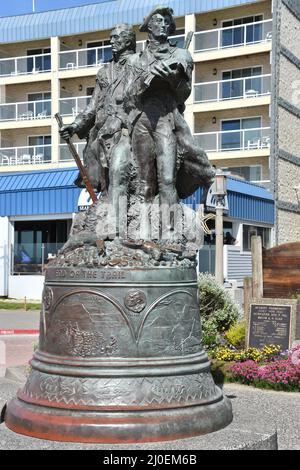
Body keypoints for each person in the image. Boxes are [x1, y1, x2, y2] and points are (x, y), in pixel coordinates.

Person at [124, 6, 215, 236]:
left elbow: (185, 94)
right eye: (158, 20)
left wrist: (174, 80)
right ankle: (143, 234)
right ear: (149, 27)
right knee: (144, 185)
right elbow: (127, 96)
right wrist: (148, 78)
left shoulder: (181, 56)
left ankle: (169, 233)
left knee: (167, 179)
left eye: (167, 21)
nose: (163, 24)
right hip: (142, 120)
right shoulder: (136, 60)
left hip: (166, 118)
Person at [59, 24, 136, 220]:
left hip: (129, 128)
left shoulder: (138, 64)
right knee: (94, 153)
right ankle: (107, 208)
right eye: (111, 37)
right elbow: (92, 106)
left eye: (116, 37)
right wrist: (75, 125)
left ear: (128, 41)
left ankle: (120, 217)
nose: (112, 41)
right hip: (103, 131)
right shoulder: (104, 72)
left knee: (120, 166)